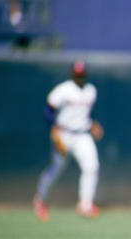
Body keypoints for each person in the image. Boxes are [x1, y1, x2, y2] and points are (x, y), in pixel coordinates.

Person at [33, 60, 103, 221]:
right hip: (64, 133)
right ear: (72, 74)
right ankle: (40, 200)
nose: (79, 77)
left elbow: (86, 114)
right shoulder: (63, 90)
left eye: (82, 74)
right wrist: (55, 130)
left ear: (85, 74)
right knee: (56, 168)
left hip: (82, 135)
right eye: (77, 74)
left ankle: (85, 205)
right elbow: (48, 111)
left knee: (92, 166)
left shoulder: (90, 91)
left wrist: (93, 125)